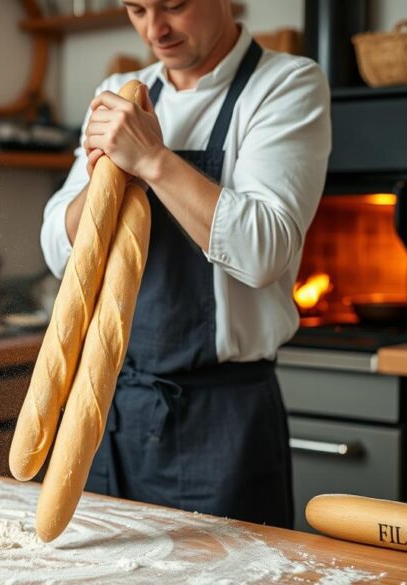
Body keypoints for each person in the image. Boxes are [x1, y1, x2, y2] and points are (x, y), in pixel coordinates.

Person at [38, 0, 331, 528]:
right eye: (137, 9)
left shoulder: (285, 85)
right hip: (113, 406)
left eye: (174, 5)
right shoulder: (123, 92)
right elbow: (59, 249)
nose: (156, 29)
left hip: (220, 420)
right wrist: (105, 181)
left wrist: (152, 160)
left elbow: (264, 249)